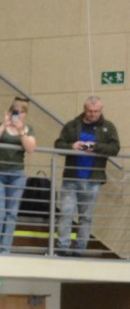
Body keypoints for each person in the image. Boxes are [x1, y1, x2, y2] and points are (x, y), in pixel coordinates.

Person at [54, 97, 119, 256]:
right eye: (89, 111)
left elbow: (115, 147)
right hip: (71, 178)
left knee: (86, 216)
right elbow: (58, 144)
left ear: (101, 110)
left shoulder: (108, 127)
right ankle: (63, 246)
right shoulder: (72, 125)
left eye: (96, 112)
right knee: (66, 212)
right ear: (84, 109)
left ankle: (79, 249)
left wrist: (97, 147)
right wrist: (72, 146)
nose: (92, 114)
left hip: (93, 179)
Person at [0, 98, 35, 253]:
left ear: (25, 114)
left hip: (17, 174)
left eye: (20, 112)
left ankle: (4, 249)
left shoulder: (27, 129)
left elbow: (31, 148)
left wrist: (21, 132)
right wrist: (4, 125)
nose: (17, 115)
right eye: (14, 111)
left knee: (11, 213)